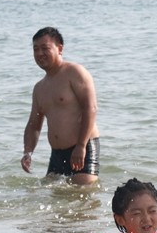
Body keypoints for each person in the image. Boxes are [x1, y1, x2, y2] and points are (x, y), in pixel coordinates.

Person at [22, 27, 100, 185]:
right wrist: (28, 152)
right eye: (36, 49)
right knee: (57, 204)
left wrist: (81, 146)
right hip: (57, 154)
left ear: (60, 49)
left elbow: (90, 109)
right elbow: (34, 125)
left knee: (83, 199)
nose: (39, 54)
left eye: (45, 48)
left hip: (83, 148)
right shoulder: (39, 88)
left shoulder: (75, 72)